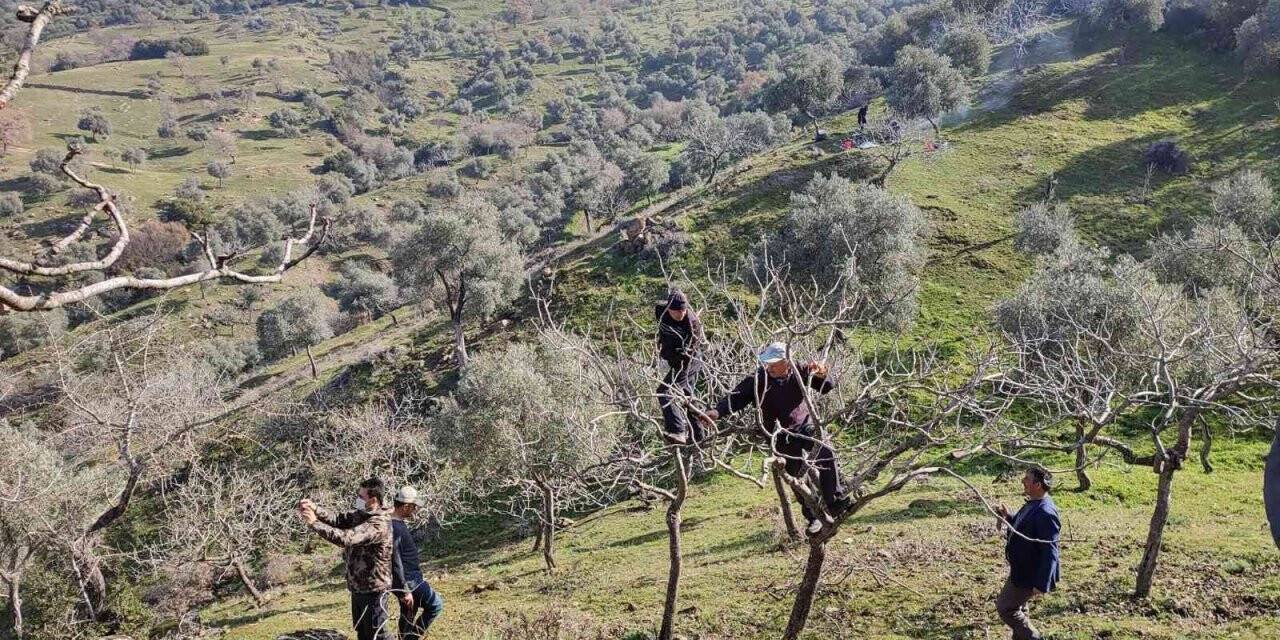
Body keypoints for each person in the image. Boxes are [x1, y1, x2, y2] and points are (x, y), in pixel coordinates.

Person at [699, 341, 850, 534]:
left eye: (773, 363)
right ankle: (814, 518)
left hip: (805, 427)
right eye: (767, 363)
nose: (769, 366)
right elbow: (736, 398)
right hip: (779, 437)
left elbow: (827, 387)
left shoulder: (800, 371)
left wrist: (821, 372)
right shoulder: (759, 379)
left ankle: (835, 501)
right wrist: (716, 412)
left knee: (826, 451)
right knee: (797, 479)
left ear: (786, 362)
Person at [298, 478, 401, 640]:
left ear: (373, 499)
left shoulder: (378, 523)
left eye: (361, 496)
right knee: (363, 633)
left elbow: (345, 538)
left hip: (373, 590)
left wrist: (314, 523)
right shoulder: (362, 514)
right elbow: (339, 520)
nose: (358, 499)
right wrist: (315, 508)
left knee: (378, 635)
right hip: (358, 588)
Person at [994, 468, 1061, 640]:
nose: (1023, 481)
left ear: (1038, 485)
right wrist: (1008, 517)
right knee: (1019, 608)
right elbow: (1023, 526)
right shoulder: (1033, 503)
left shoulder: (1046, 513)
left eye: (1027, 479)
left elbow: (1050, 551)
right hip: (1021, 569)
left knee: (1006, 607)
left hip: (1031, 574)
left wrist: (1042, 583)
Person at [391, 486, 445, 640]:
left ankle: (405, 638)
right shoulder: (396, 528)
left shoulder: (395, 523)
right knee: (436, 605)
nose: (415, 509)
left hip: (408, 580)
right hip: (410, 581)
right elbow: (395, 561)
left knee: (408, 613)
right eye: (414, 506)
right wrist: (404, 589)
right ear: (406, 506)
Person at [655, 289, 706, 445]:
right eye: (677, 311)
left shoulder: (692, 322)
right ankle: (699, 436)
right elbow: (662, 330)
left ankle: (678, 431)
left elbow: (690, 353)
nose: (681, 314)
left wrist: (678, 355)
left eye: (683, 310)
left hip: (689, 361)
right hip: (675, 359)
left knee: (664, 392)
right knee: (687, 397)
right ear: (669, 308)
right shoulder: (660, 312)